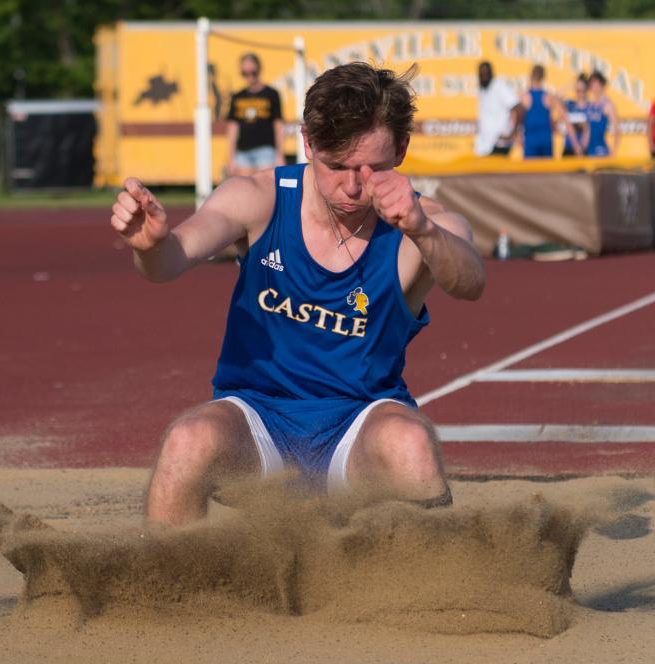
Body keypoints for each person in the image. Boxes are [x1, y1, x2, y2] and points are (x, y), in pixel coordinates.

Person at [110, 62, 486, 525]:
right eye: (337, 166)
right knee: (189, 440)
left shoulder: (421, 223)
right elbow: (170, 259)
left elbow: (470, 281)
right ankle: (161, 588)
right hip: (258, 422)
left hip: (359, 426)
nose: (353, 187)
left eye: (372, 170)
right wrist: (151, 246)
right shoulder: (258, 198)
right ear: (308, 142)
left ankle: (439, 591)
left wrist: (423, 231)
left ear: (402, 150)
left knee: (410, 443)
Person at [225, 53, 286, 176]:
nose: (249, 77)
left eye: (253, 72)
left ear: (259, 69)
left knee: (266, 190)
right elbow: (232, 129)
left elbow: (278, 125)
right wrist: (230, 158)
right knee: (245, 192)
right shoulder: (237, 97)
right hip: (242, 153)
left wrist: (279, 155)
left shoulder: (272, 94)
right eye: (245, 73)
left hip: (266, 151)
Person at [520, 65, 579, 159]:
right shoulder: (548, 97)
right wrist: (576, 145)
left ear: (531, 76)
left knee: (530, 172)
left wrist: (517, 138)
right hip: (545, 140)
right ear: (543, 77)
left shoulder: (525, 97)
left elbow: (517, 120)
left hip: (531, 140)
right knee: (547, 172)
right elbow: (566, 119)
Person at [474, 61, 520, 156]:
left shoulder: (499, 86)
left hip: (500, 143)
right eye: (481, 74)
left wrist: (513, 133)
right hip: (486, 144)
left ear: (491, 73)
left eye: (486, 73)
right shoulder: (483, 89)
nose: (483, 76)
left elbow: (517, 108)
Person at [586, 70, 619, 157]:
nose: (595, 87)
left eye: (597, 84)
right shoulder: (589, 104)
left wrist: (614, 152)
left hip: (600, 149)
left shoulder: (607, 104)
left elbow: (616, 129)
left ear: (602, 85)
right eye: (592, 84)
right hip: (587, 149)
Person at [562, 74, 590, 158]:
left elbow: (589, 129)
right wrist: (569, 86)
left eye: (582, 90)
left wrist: (581, 147)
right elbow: (555, 98)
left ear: (587, 90)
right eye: (578, 90)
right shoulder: (569, 105)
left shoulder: (591, 107)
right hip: (569, 148)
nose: (580, 93)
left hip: (585, 149)